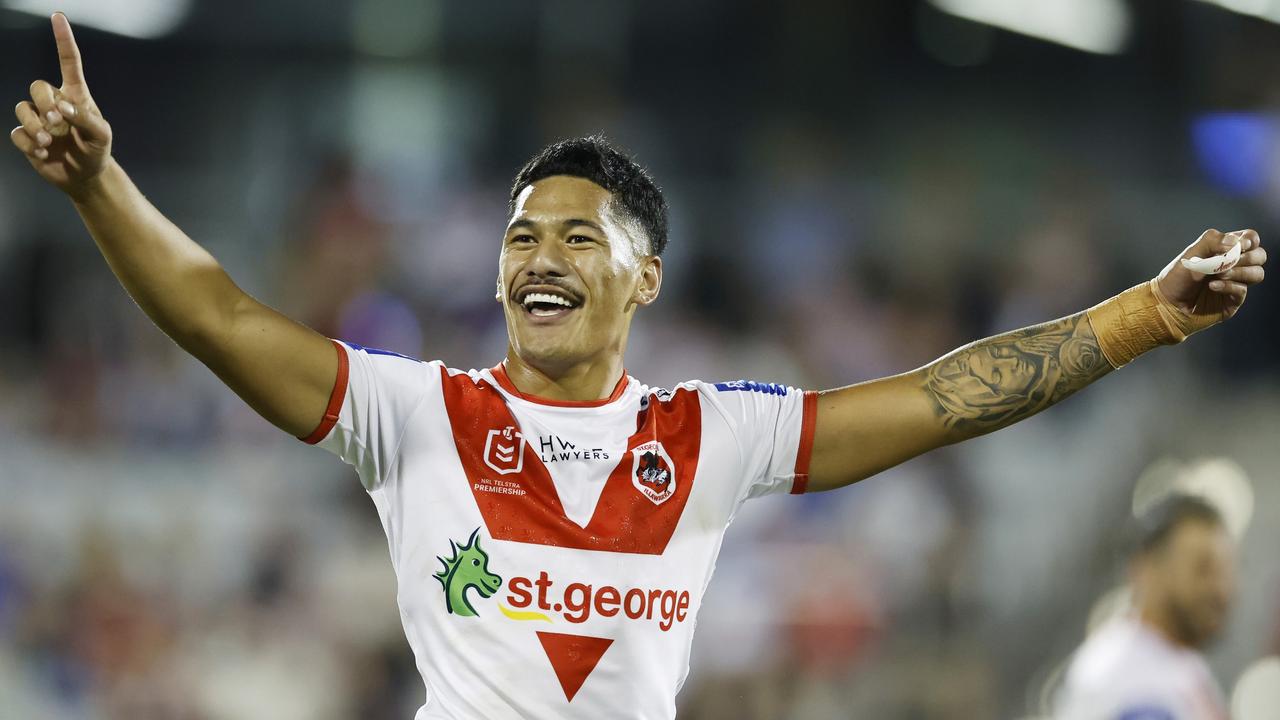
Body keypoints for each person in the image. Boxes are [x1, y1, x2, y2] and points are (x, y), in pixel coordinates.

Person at [8, 14, 1267, 720]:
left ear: (644, 279)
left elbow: (942, 398)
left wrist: (1144, 317)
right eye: (516, 237)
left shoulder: (709, 437)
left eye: (573, 236)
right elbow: (221, 318)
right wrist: (99, 185)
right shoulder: (416, 415)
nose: (534, 258)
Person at [1054, 495, 1237, 720]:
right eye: (1202, 569)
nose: (1220, 589)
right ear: (1146, 570)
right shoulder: (1126, 679)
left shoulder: (1182, 664)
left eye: (1225, 571)